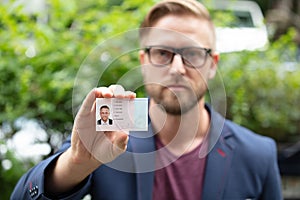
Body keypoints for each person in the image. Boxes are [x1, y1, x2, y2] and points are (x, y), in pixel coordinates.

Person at [11, 0, 283, 199]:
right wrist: (75, 164)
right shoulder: (111, 132)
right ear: (144, 61)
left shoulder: (257, 154)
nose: (177, 68)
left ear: (212, 64)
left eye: (193, 54)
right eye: (163, 53)